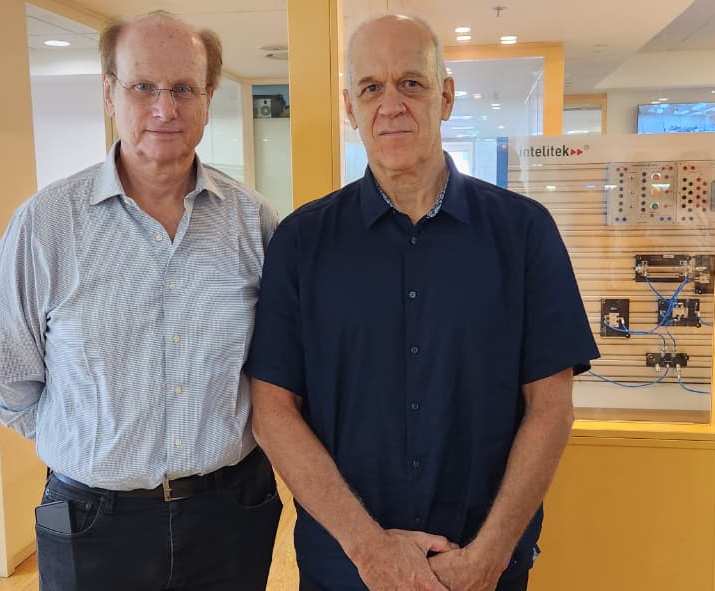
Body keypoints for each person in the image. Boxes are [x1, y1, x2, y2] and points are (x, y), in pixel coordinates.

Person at [246, 13, 600, 591]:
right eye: (370, 88)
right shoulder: (301, 243)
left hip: (481, 568)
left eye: (411, 83)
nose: (391, 105)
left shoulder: (523, 234)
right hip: (346, 569)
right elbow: (272, 412)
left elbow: (551, 407)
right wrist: (371, 550)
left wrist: (489, 555)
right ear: (349, 107)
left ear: (446, 97)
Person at [0, 11, 281, 590]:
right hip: (93, 523)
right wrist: (94, 449)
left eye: (183, 89)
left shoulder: (253, 221)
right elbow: (10, 384)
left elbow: (275, 370)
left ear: (207, 99)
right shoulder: (45, 226)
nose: (164, 109)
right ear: (109, 94)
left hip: (229, 514)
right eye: (143, 86)